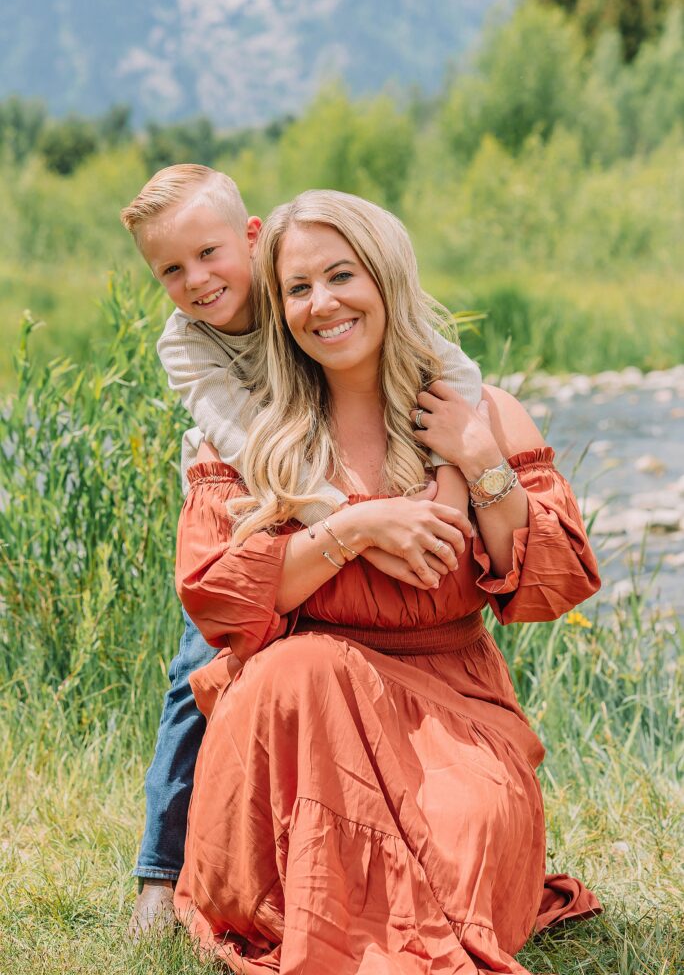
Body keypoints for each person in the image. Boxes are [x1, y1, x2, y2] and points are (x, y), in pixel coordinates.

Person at [172, 189, 602, 974]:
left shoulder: (481, 416)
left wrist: (480, 463)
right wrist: (350, 531)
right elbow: (220, 602)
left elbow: (555, 584)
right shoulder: (249, 437)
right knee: (307, 664)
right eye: (297, 289)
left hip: (454, 707)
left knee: (468, 831)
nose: (322, 304)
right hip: (293, 719)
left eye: (342, 276)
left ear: (387, 277)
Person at [119, 166, 483, 933]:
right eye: (171, 271)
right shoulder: (186, 342)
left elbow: (450, 369)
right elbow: (244, 439)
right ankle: (162, 865)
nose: (197, 280)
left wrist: (457, 470)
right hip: (263, 491)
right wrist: (357, 523)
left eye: (209, 254)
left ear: (251, 239)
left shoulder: (302, 290)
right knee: (200, 671)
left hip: (332, 481)